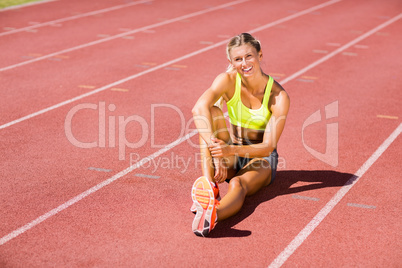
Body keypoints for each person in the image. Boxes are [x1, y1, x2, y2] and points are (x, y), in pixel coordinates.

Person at [190, 33, 290, 237]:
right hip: (231, 155)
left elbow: (269, 146)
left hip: (260, 158)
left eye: (249, 56)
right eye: (238, 59)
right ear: (231, 62)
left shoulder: (278, 96)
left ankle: (212, 214)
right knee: (210, 114)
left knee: (238, 183)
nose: (244, 63)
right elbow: (198, 108)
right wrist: (218, 153)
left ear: (260, 55)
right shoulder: (227, 80)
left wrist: (228, 150)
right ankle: (210, 188)